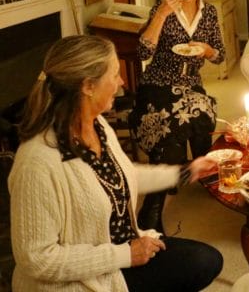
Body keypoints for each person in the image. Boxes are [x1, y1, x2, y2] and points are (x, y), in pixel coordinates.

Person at [9, 35, 223, 292]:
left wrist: (187, 171)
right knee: (199, 264)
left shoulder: (97, 125)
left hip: (122, 249)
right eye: (114, 75)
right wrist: (125, 255)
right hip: (82, 280)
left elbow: (123, 175)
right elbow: (37, 259)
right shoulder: (37, 162)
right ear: (88, 86)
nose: (122, 83)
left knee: (206, 260)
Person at [129, 0, 225, 232]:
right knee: (170, 126)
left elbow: (220, 55)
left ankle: (199, 171)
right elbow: (143, 52)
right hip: (158, 83)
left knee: (201, 109)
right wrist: (161, 15)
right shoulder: (162, 9)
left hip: (190, 84)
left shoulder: (209, 13)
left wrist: (207, 50)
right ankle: (153, 207)